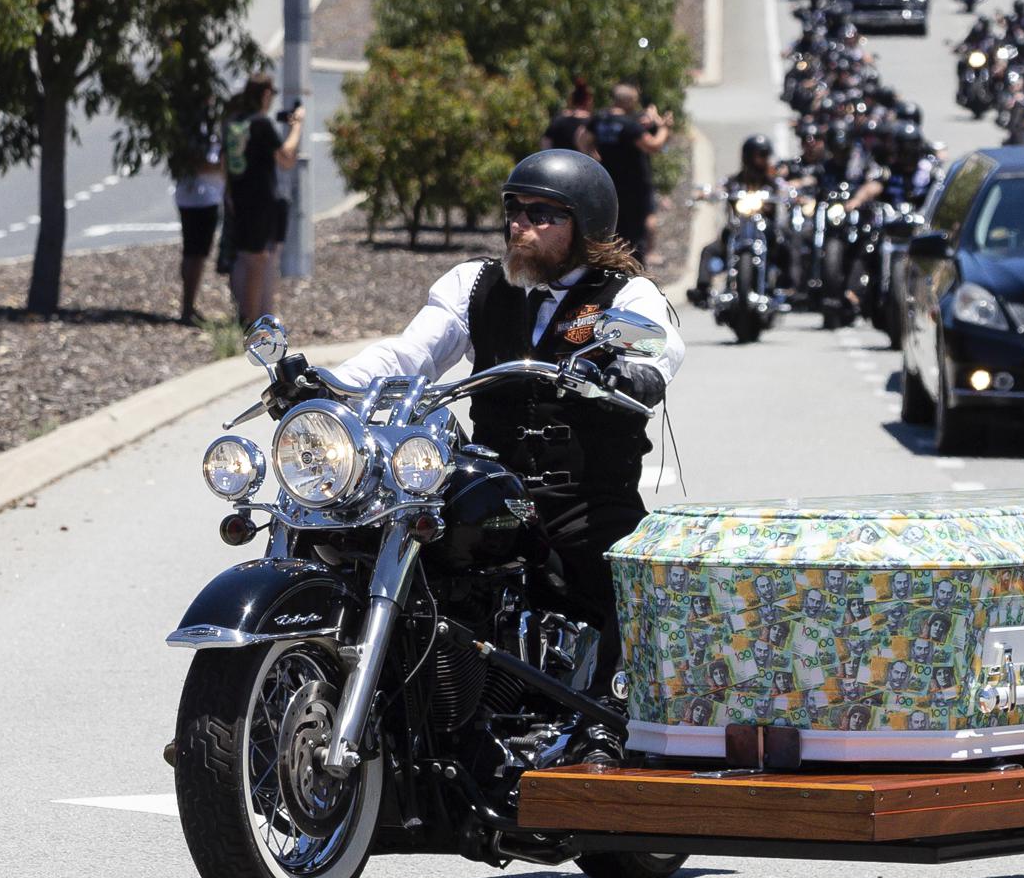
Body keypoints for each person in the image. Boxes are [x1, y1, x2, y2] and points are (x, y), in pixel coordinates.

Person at [318, 151, 684, 767]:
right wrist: (332, 384)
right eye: (514, 211)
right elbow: (408, 356)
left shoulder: (626, 295)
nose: (521, 225)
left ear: (585, 225)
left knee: (628, 579)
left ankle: (610, 723)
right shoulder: (476, 285)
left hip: (582, 498)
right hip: (490, 483)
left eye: (543, 214)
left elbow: (656, 346)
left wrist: (630, 368)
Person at [223, 72, 301, 328]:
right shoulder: (261, 124)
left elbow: (226, 162)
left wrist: (230, 193)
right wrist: (297, 126)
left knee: (247, 258)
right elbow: (286, 157)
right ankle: (251, 322)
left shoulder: (234, 122)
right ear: (265, 94)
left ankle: (247, 315)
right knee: (257, 260)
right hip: (260, 200)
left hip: (239, 199)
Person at [690, 135, 793, 309]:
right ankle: (702, 291)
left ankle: (789, 288)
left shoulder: (773, 183)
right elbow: (719, 188)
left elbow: (787, 190)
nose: (761, 159)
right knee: (709, 250)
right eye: (758, 155)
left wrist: (794, 195)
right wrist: (707, 194)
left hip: (765, 232)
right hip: (736, 230)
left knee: (787, 247)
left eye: (764, 155)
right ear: (747, 156)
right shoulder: (732, 181)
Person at [589, 83, 670, 264]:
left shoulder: (600, 119)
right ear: (628, 101)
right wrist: (664, 128)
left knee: (613, 224)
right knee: (637, 228)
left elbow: (581, 138)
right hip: (634, 183)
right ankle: (635, 264)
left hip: (608, 180)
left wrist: (593, 157)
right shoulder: (629, 126)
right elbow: (653, 145)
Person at [171, 114, 225, 326]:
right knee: (196, 253)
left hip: (198, 197)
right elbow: (196, 163)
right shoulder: (194, 130)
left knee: (193, 252)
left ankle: (188, 305)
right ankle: (187, 307)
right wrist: (221, 168)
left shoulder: (201, 127)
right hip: (201, 198)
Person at [543, 78, 596, 153]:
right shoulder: (591, 121)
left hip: (559, 161)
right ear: (588, 100)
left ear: (571, 99)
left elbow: (546, 142)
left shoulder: (559, 119)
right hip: (581, 163)